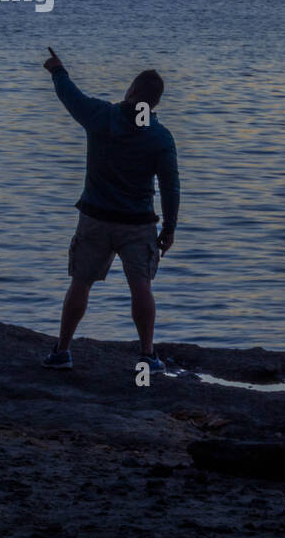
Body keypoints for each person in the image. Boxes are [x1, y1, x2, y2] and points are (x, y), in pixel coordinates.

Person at [39, 47, 180, 373]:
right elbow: (171, 187)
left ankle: (62, 351)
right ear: (156, 102)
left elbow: (70, 96)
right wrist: (170, 228)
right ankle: (147, 355)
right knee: (141, 286)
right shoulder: (160, 137)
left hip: (95, 218)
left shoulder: (100, 116)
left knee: (80, 283)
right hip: (138, 223)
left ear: (130, 91)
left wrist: (57, 69)